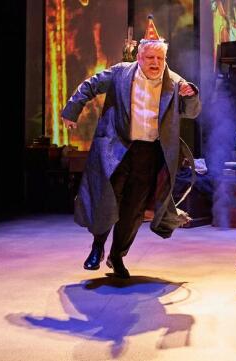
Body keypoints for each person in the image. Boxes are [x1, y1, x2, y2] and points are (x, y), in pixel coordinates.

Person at [61, 15, 201, 278]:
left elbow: (192, 111)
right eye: (151, 58)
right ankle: (97, 247)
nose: (156, 64)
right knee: (107, 199)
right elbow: (90, 85)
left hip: (149, 154)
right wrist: (72, 109)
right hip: (118, 148)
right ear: (139, 58)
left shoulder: (175, 83)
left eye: (160, 59)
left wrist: (192, 95)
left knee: (134, 210)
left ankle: (117, 255)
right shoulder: (120, 74)